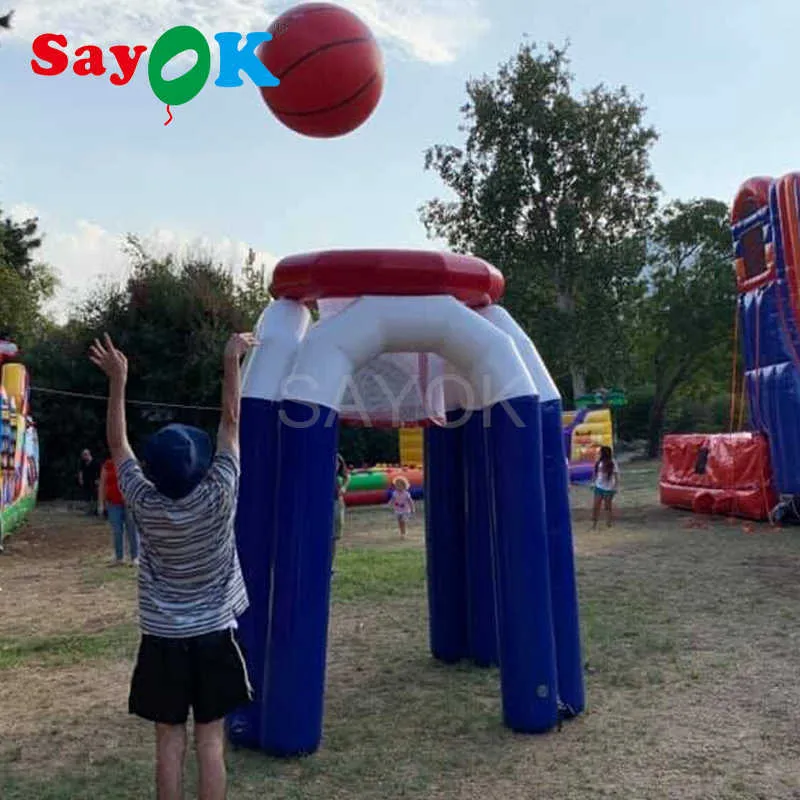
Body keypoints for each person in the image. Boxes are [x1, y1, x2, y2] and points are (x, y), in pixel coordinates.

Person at [89, 331, 256, 800]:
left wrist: (118, 381)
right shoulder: (221, 493)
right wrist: (230, 360)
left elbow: (117, 444)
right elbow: (231, 420)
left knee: (168, 739)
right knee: (209, 741)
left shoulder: (143, 501)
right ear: (200, 465)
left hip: (162, 640)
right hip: (214, 638)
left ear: (154, 470)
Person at [98, 455, 139, 567]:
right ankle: (119, 557)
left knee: (132, 529)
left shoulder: (130, 463)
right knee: (117, 530)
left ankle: (135, 557)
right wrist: (101, 504)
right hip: (112, 503)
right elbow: (102, 484)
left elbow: (137, 481)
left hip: (129, 502)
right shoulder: (107, 465)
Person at [592, 445, 620, 529]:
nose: (599, 453)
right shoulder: (599, 462)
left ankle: (608, 523)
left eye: (600, 452)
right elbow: (595, 473)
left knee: (607, 506)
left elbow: (616, 475)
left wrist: (616, 486)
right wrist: (593, 482)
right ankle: (594, 523)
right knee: (596, 505)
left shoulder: (612, 462)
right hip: (599, 486)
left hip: (609, 488)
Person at [78, 448, 100, 514]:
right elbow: (80, 471)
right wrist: (80, 479)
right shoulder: (83, 462)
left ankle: (95, 510)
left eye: (84, 455)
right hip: (86, 482)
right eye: (83, 455)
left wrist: (98, 480)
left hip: (94, 482)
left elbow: (99, 472)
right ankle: (88, 511)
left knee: (95, 496)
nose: (83, 457)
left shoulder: (95, 462)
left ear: (88, 454)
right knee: (87, 496)